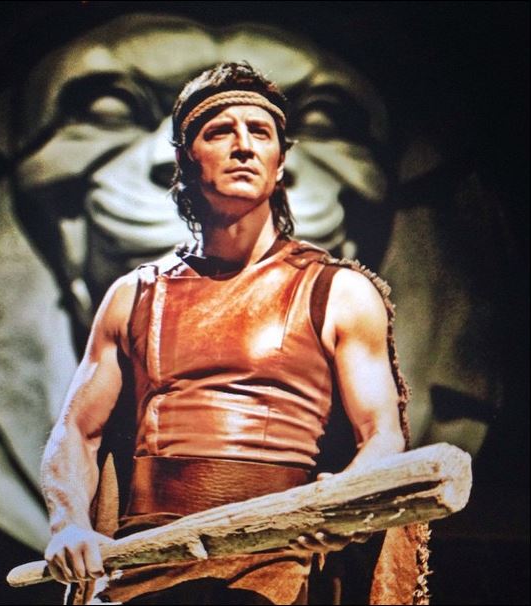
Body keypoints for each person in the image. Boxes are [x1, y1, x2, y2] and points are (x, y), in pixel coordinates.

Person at [41, 62, 429, 605]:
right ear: (184, 158)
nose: (243, 146)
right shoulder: (136, 295)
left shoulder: (338, 292)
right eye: (221, 130)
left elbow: (382, 435)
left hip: (277, 562)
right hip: (145, 560)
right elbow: (75, 432)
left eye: (260, 133)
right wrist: (67, 526)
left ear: (279, 163)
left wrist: (346, 502)